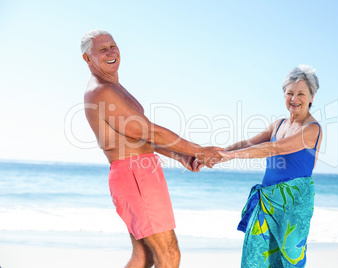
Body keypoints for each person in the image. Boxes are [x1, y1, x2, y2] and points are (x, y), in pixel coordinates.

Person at [80, 29, 221, 268]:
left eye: (113, 46)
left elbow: (139, 139)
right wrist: (198, 150)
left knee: (143, 257)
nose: (111, 52)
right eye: (102, 50)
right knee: (169, 254)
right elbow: (147, 131)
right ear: (88, 59)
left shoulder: (113, 86)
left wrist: (179, 155)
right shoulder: (102, 91)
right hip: (135, 175)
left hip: (138, 172)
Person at [217, 65, 322, 267]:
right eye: (289, 93)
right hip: (266, 201)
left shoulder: (312, 129)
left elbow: (275, 148)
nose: (294, 98)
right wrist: (220, 153)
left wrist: (229, 157)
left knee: (287, 261)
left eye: (301, 93)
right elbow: (250, 143)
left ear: (311, 97)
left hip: (292, 206)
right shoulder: (279, 124)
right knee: (255, 259)